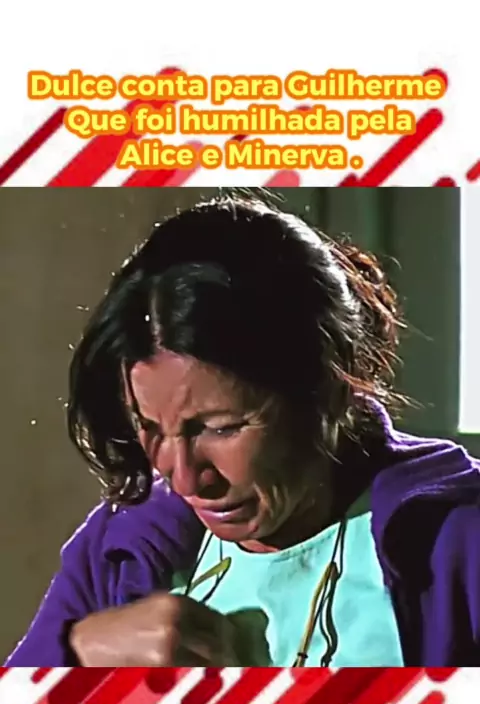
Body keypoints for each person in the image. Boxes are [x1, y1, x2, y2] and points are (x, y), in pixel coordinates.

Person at [6, 192, 480, 668]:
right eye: (149, 427)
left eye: (221, 428)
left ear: (330, 390)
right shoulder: (119, 544)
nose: (185, 479)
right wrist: (79, 652)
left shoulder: (457, 538)